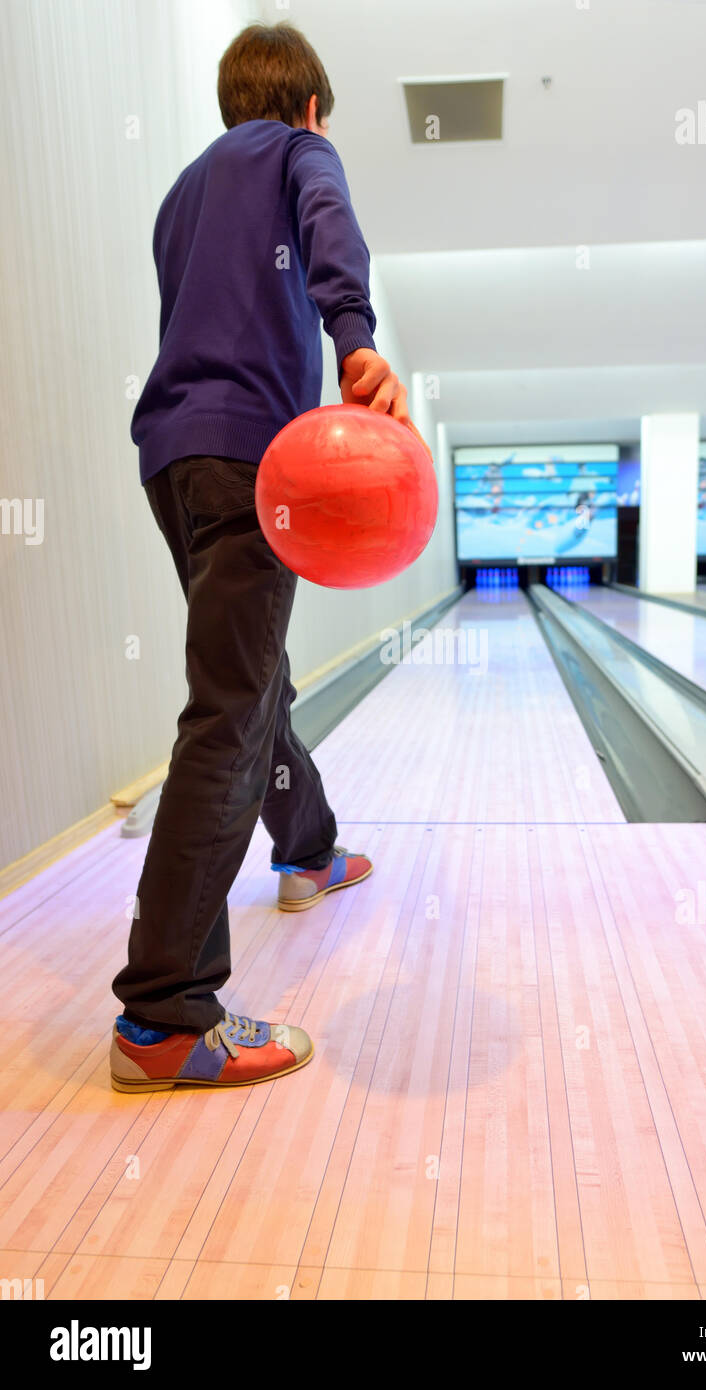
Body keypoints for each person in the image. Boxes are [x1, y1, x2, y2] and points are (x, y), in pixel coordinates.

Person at [110, 21, 423, 1093]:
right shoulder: (301, 151)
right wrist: (359, 338)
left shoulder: (183, 194)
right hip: (251, 457)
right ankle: (164, 1014)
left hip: (171, 458)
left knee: (255, 684)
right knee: (231, 711)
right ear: (310, 106)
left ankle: (305, 850)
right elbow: (332, 232)